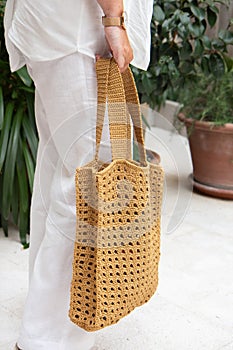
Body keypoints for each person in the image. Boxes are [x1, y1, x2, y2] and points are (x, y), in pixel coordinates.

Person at [4, 0, 153, 349]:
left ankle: (44, 319)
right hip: (81, 29)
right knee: (88, 190)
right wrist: (114, 20)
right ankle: (50, 339)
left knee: (63, 171)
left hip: (60, 29)